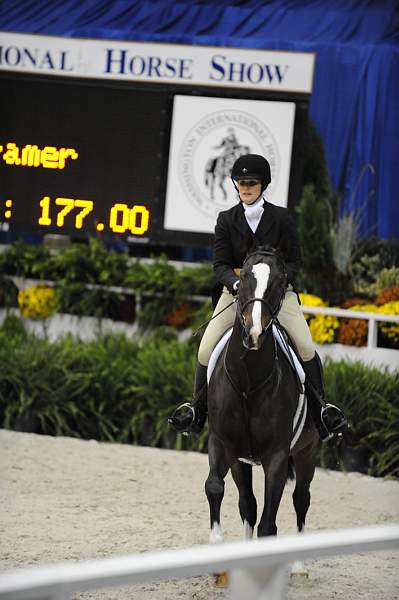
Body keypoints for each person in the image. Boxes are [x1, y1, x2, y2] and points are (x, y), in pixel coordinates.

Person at [169, 154, 348, 442]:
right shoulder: (227, 220)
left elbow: (294, 262)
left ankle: (321, 412)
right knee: (205, 349)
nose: (246, 187)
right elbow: (220, 265)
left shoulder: (282, 218)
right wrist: (236, 283)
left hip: (276, 293)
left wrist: (275, 285)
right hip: (237, 293)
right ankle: (196, 411)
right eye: (241, 183)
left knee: (304, 344)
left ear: (262, 184)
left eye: (251, 182)